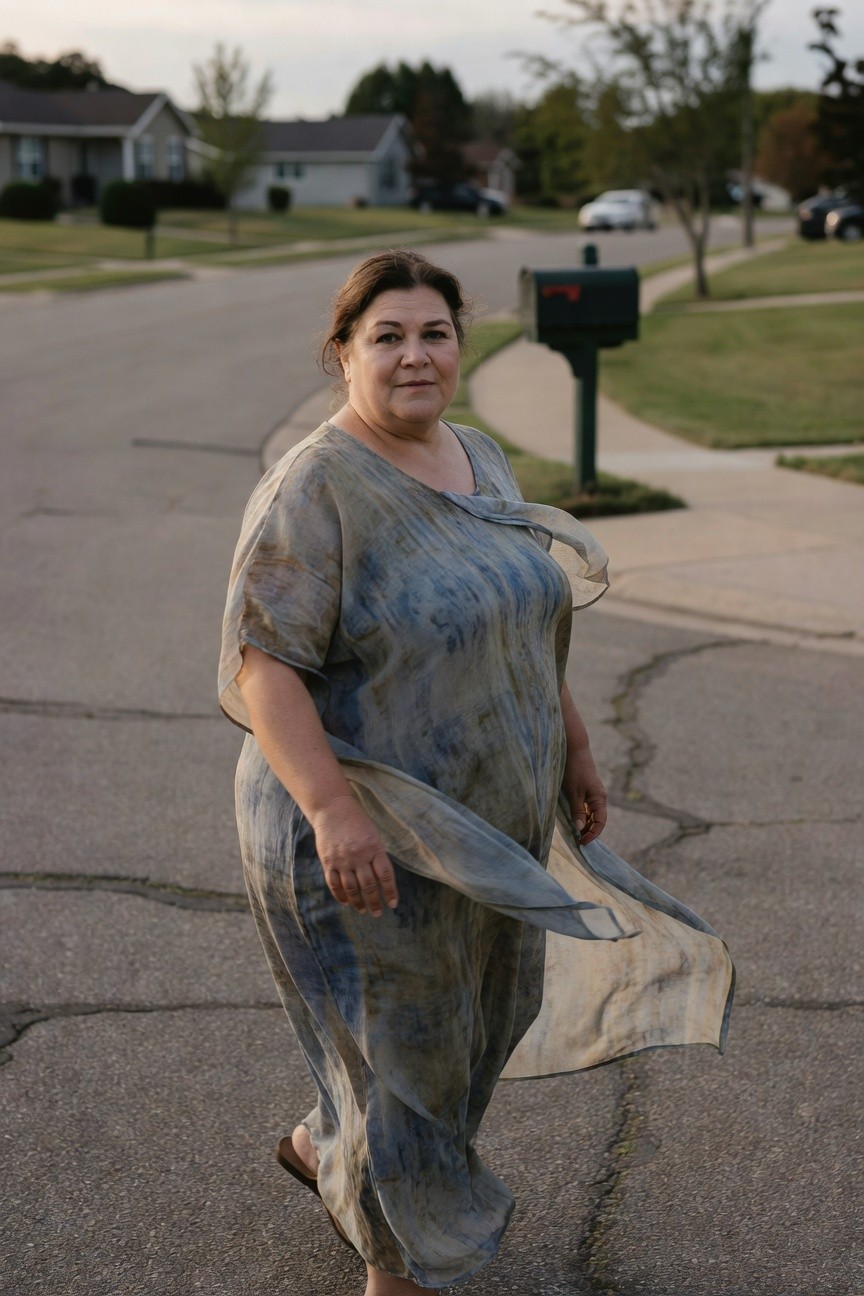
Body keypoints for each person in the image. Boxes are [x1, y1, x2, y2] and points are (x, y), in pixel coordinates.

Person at [218, 249, 733, 1295]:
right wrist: (331, 811)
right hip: (362, 828)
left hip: (484, 820)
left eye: (434, 332)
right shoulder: (316, 486)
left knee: (471, 1030)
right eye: (388, 337)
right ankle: (396, 1271)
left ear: (462, 342)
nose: (415, 355)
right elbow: (263, 670)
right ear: (343, 352)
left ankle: (329, 1148)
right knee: (412, 1062)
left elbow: (519, 619)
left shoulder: (477, 455)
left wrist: (575, 746)